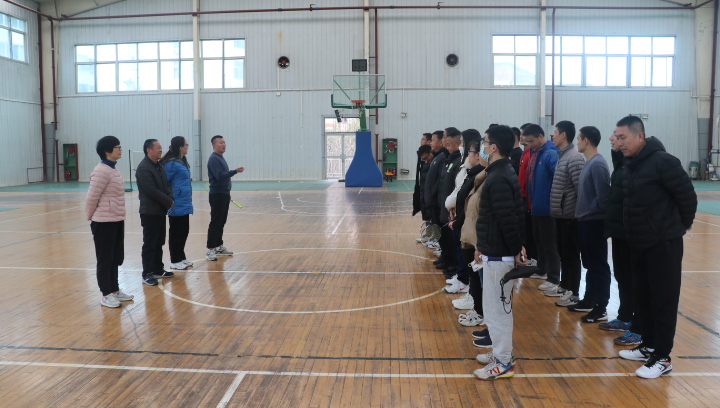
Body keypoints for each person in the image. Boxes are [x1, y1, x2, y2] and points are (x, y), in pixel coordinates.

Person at [614, 116, 697, 379]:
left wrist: (676, 228)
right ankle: (648, 345)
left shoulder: (664, 162)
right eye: (617, 137)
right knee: (643, 298)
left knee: (663, 301)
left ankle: (662, 357)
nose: (618, 142)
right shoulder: (632, 163)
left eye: (623, 137)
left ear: (640, 136)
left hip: (663, 245)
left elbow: (687, 198)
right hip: (638, 243)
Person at [472, 125, 526, 380]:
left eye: (485, 142)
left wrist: (515, 250)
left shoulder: (500, 176)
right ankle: (499, 352)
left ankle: (504, 361)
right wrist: (482, 247)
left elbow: (508, 219)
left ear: (493, 147)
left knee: (498, 311)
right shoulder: (499, 172)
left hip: (501, 255)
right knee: (492, 309)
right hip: (494, 252)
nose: (482, 147)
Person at [602, 132, 642, 346]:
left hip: (631, 233)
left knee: (635, 280)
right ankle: (625, 317)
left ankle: (639, 326)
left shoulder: (637, 165)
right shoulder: (622, 164)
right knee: (622, 276)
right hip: (619, 231)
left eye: (618, 137)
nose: (613, 139)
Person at [85, 135, 133, 308]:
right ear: (107, 151)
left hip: (116, 219)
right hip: (103, 222)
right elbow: (92, 197)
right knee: (105, 259)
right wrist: (91, 218)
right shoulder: (101, 171)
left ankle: (114, 289)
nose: (121, 149)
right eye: (117, 147)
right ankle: (106, 294)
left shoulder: (114, 168)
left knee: (115, 257)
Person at [569, 126, 611, 323]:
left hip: (594, 222)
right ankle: (590, 299)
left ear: (586, 141)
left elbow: (604, 198)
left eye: (579, 138)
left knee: (598, 264)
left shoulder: (598, 165)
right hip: (585, 221)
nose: (577, 142)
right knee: (590, 264)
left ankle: (601, 306)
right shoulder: (590, 163)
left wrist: (596, 215)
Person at [546, 121, 585, 304]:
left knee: (571, 255)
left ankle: (574, 292)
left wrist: (575, 213)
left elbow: (580, 190)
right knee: (563, 253)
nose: (552, 136)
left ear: (563, 135)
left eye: (555, 132)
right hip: (561, 215)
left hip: (570, 217)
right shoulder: (563, 156)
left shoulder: (574, 158)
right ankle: (565, 285)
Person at [522, 124, 560, 290]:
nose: (530, 145)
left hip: (547, 207)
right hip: (534, 206)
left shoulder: (551, 154)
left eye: (531, 141)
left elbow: (558, 180)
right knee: (539, 241)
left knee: (549, 244)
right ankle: (542, 269)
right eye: (527, 142)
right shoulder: (535, 153)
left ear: (540, 136)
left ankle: (553, 277)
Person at [454, 137, 488, 326]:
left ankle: (482, 313)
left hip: (479, 238)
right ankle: (478, 309)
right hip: (471, 233)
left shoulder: (492, 177)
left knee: (480, 279)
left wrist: (480, 244)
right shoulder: (478, 175)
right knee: (476, 277)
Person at [136, 139, 175, 286]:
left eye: (161, 147)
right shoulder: (143, 168)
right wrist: (168, 201)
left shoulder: (159, 165)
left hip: (160, 211)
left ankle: (158, 269)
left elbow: (167, 184)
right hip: (149, 212)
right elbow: (151, 190)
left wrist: (170, 197)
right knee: (150, 243)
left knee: (159, 241)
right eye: (158, 148)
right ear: (149, 150)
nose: (160, 150)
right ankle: (147, 273)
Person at [207, 135, 245, 260]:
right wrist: (235, 171)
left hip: (223, 194)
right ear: (214, 145)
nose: (223, 144)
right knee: (215, 222)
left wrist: (227, 192)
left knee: (221, 221)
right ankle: (211, 249)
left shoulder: (220, 158)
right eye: (220, 142)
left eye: (224, 142)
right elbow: (220, 176)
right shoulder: (214, 159)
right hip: (217, 195)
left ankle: (218, 246)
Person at [162, 136, 194, 270]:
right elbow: (165, 182)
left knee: (184, 231)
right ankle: (175, 260)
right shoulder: (171, 164)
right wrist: (171, 198)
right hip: (176, 204)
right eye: (186, 145)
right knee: (176, 232)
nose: (187, 147)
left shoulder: (183, 161)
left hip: (185, 202)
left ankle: (181, 256)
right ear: (180, 147)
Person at [437, 127, 463, 281]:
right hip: (445, 206)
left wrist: (451, 207)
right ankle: (450, 263)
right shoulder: (449, 159)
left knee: (455, 242)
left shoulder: (458, 161)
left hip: (452, 210)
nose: (445, 142)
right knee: (448, 238)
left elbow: (456, 188)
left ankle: (455, 268)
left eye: (448, 143)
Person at [425, 130, 450, 264]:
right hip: (433, 200)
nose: (430, 143)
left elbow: (440, 180)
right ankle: (445, 256)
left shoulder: (443, 157)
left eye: (433, 140)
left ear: (441, 142)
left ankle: (447, 258)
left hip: (437, 201)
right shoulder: (438, 156)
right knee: (439, 230)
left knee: (443, 232)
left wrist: (432, 195)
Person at [413, 133, 433, 217]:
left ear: (429, 142)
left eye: (423, 139)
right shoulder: (421, 156)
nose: (420, 141)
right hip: (423, 190)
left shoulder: (434, 158)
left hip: (428, 192)